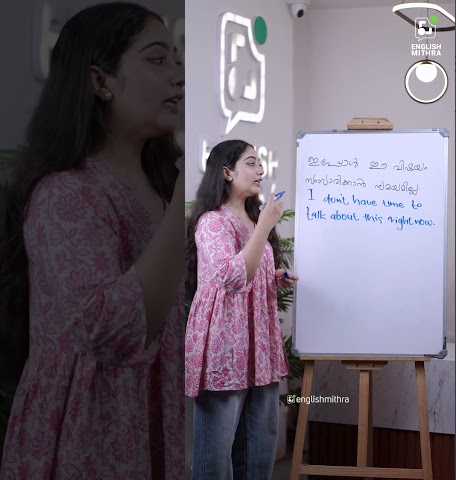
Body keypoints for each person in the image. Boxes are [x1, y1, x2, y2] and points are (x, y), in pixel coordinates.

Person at [0, 3, 185, 477]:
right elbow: (114, 328)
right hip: (87, 431)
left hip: (155, 418)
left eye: (177, 60)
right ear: (101, 81)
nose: (179, 77)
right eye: (157, 59)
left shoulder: (165, 188)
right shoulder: (64, 194)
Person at [185, 139, 299, 479]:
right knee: (216, 459)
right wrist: (265, 224)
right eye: (251, 163)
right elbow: (232, 277)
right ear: (227, 172)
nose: (260, 170)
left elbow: (248, 270)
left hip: (259, 346)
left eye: (260, 163)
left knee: (259, 449)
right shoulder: (212, 222)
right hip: (225, 345)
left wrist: (273, 276)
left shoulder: (251, 219)